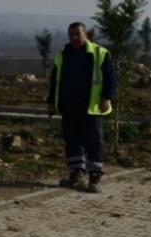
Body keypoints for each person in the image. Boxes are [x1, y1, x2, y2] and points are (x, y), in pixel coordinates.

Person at [46, 22, 117, 193]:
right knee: (72, 141)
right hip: (69, 106)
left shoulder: (99, 53)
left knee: (94, 142)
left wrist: (106, 97)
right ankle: (76, 173)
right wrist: (51, 101)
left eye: (78, 34)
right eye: (71, 35)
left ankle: (95, 177)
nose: (75, 38)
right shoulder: (63, 55)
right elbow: (55, 80)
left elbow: (110, 79)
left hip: (91, 107)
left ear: (86, 34)